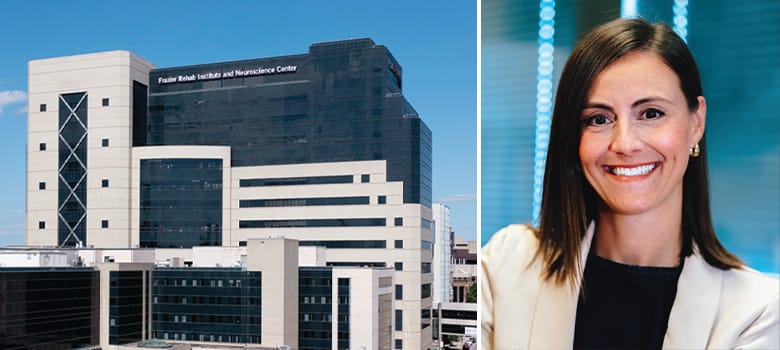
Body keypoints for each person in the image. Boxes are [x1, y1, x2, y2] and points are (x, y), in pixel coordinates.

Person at [480, 18, 779, 349]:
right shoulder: (506, 263)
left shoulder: (757, 312)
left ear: (696, 123)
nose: (624, 143)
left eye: (651, 113)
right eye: (599, 119)